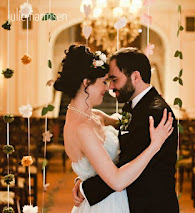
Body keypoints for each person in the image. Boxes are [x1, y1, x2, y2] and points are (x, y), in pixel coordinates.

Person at [54, 44, 174, 212]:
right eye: (104, 82)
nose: (108, 88)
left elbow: (129, 127)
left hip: (138, 202)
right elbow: (116, 179)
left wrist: (151, 104)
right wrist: (155, 145)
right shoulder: (81, 127)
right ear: (86, 83)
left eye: (111, 80)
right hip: (105, 204)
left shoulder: (96, 115)